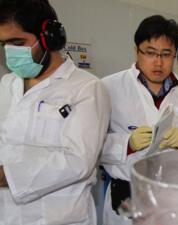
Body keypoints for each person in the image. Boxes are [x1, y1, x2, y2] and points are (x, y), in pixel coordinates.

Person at [0, 0, 111, 224]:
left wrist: (7, 175)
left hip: (59, 217)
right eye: (3, 44)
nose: (9, 52)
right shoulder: (7, 83)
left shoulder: (87, 88)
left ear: (49, 37)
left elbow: (79, 161)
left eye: (17, 42)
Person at [100, 15, 178, 225]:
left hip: (175, 194)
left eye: (166, 54)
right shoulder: (109, 87)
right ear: (136, 51)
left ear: (175, 55)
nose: (158, 62)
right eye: (150, 53)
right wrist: (127, 144)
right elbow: (92, 146)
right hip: (127, 195)